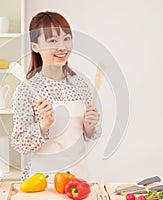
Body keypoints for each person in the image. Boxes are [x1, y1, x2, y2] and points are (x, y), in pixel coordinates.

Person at [11, 11, 101, 181]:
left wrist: (90, 125)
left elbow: (87, 134)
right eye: (53, 40)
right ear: (35, 46)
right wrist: (43, 125)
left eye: (66, 38)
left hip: (77, 177)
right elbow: (20, 143)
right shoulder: (26, 90)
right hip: (42, 180)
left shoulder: (80, 85)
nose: (62, 47)